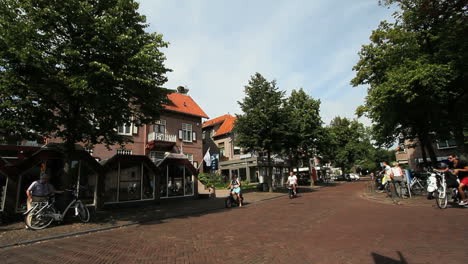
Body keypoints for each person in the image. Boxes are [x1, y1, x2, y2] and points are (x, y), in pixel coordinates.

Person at [25, 164, 62, 228]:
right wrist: (30, 198)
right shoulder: (35, 183)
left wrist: (60, 192)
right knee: (31, 211)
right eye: (45, 179)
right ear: (42, 178)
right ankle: (28, 225)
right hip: (34, 198)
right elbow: (28, 191)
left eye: (47, 179)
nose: (46, 180)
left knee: (44, 211)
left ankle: (42, 223)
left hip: (43, 199)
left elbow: (52, 191)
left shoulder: (47, 185)